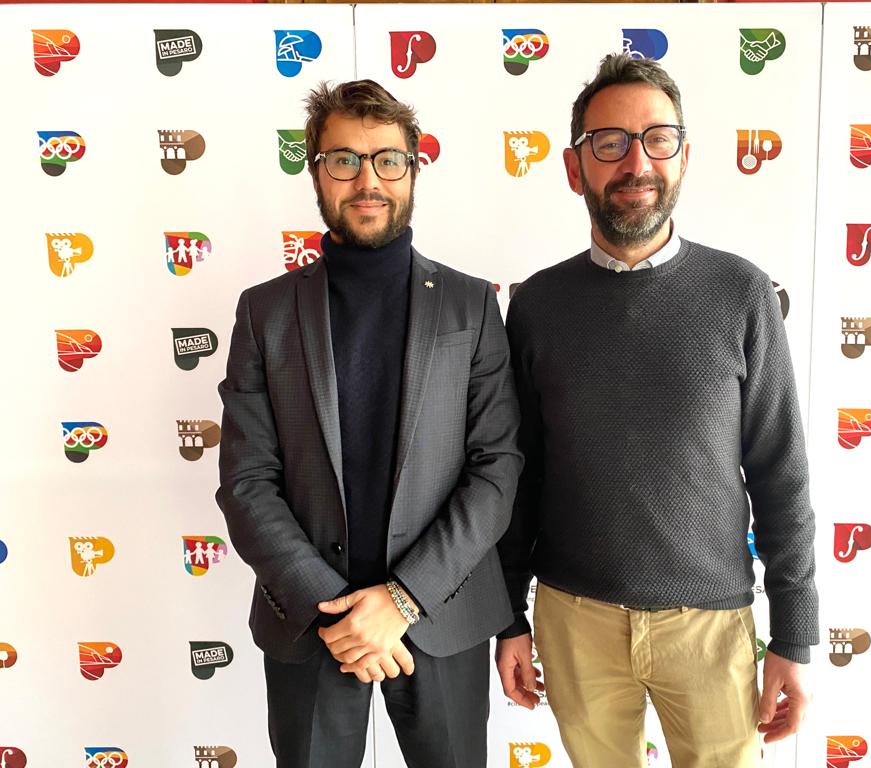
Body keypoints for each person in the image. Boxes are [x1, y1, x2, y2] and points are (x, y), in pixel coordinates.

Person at [495, 54, 819, 768]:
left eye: (657, 140)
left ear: (684, 158)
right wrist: (508, 616)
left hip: (712, 627)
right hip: (573, 619)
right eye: (609, 142)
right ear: (574, 166)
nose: (636, 162)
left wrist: (794, 635)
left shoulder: (742, 294)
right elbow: (519, 478)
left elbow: (781, 474)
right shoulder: (537, 305)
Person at [216, 79, 522, 768]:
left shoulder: (471, 306)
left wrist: (403, 600)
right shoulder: (264, 312)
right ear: (316, 172)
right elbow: (246, 481)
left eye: (387, 159)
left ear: (412, 169)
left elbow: (496, 470)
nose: (367, 180)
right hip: (311, 622)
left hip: (444, 611)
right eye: (344, 160)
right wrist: (336, 609)